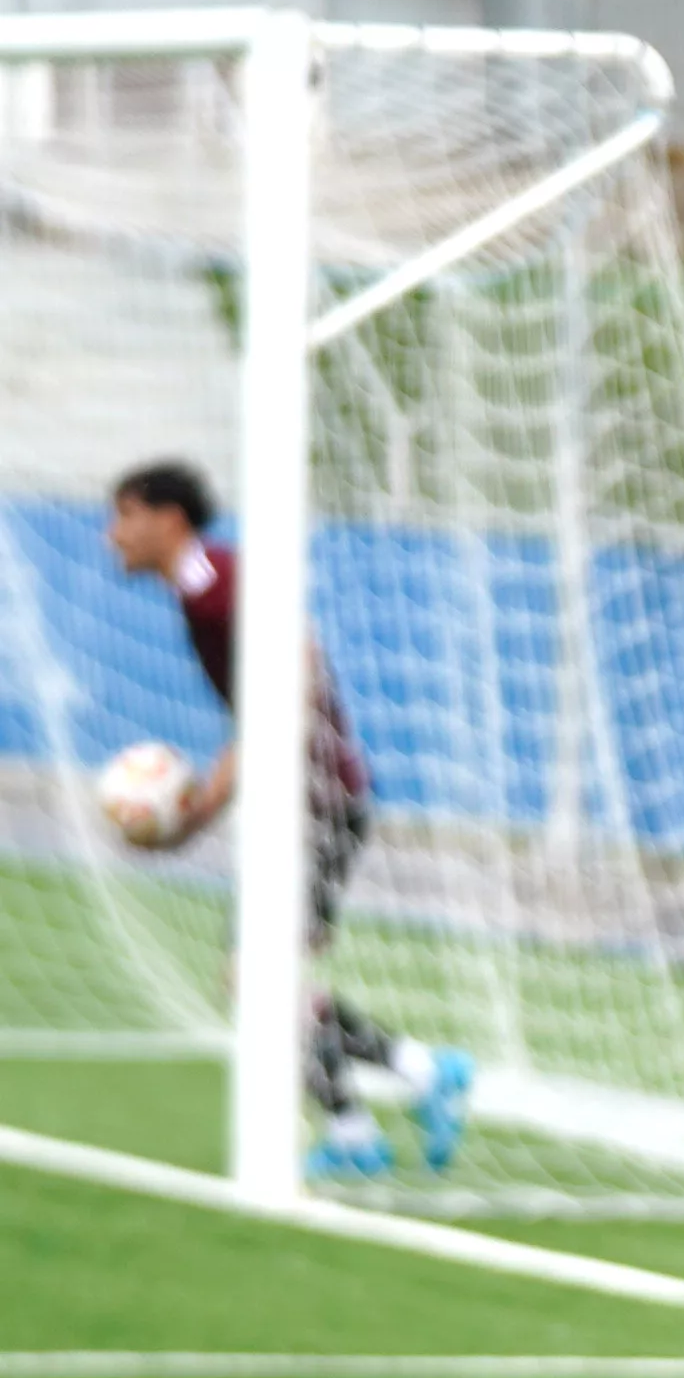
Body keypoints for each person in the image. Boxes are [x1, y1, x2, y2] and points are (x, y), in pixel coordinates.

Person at [103, 461, 470, 1180]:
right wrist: (210, 803)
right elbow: (259, 705)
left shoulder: (214, 586)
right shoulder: (200, 590)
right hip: (303, 801)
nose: (111, 535)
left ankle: (393, 1097)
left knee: (257, 976)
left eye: (123, 516)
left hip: (315, 802)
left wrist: (218, 797)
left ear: (167, 517)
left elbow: (291, 660)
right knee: (262, 979)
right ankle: (387, 1099)